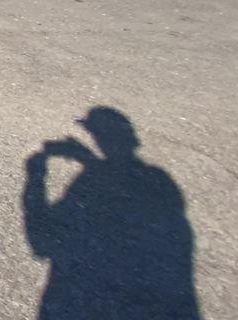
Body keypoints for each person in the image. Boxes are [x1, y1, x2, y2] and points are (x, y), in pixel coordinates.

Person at [22, 107, 200, 319]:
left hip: (79, 305)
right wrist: (89, 160)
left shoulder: (89, 186)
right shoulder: (157, 182)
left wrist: (36, 174)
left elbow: (41, 242)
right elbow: (123, 183)